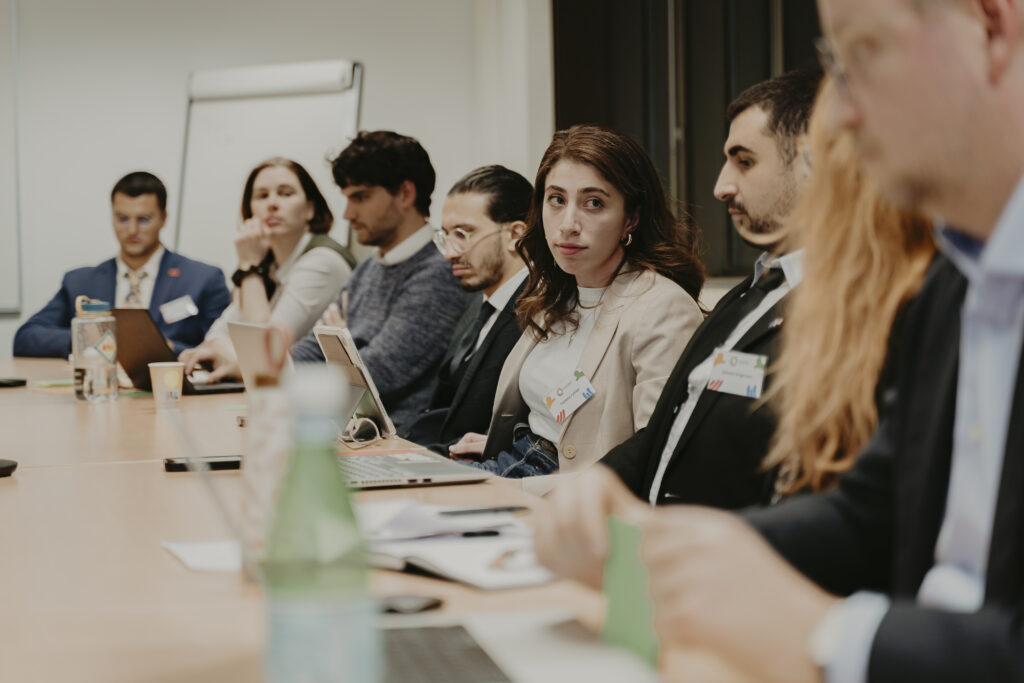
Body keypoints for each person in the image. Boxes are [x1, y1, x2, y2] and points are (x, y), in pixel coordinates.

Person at [542, 0, 1024, 680]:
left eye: (862, 58)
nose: (843, 116)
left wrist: (825, 633)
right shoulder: (961, 281)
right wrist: (665, 546)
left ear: (993, 28)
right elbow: (871, 512)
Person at [589, 67, 821, 507]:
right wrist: (586, 488)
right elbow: (666, 430)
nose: (720, 186)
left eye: (745, 161)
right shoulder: (750, 292)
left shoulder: (843, 311)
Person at [448, 124, 705, 478]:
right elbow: (554, 416)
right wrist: (503, 443)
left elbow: (656, 455)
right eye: (557, 200)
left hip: (575, 492)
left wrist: (518, 485)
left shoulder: (663, 308)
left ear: (631, 218)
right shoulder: (556, 293)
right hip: (518, 460)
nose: (567, 224)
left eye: (593, 203)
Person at [290, 131, 470, 428]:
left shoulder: (440, 272)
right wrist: (339, 349)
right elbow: (311, 349)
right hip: (347, 427)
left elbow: (373, 376)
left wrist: (340, 347)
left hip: (393, 441)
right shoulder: (369, 268)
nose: (347, 213)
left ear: (405, 194)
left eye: (360, 197)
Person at [14, 171, 229, 357]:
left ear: (163, 218)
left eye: (143, 219)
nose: (132, 230)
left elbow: (226, 350)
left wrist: (170, 348)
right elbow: (26, 338)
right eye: (122, 219)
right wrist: (92, 337)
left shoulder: (202, 279)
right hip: (98, 389)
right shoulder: (81, 282)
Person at [180, 158, 353, 382]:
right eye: (262, 196)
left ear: (310, 209)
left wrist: (250, 269)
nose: (272, 204)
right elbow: (218, 334)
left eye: (286, 193)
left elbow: (262, 355)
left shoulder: (323, 261)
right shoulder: (266, 263)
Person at [401, 165, 531, 453]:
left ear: (515, 235)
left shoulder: (536, 313)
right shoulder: (480, 301)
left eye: (463, 234)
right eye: (445, 235)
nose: (449, 252)